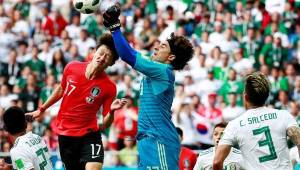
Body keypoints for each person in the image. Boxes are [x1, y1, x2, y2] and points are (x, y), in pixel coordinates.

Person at [103, 4, 194, 169]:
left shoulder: (163, 70)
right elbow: (129, 52)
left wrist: (115, 27)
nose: (157, 47)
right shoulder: (158, 70)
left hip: (159, 140)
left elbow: (128, 55)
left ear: (171, 57)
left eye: (163, 46)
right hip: (147, 140)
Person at [26, 33, 127, 170]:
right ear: (94, 51)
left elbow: (106, 123)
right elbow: (61, 89)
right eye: (101, 52)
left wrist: (112, 111)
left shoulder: (109, 87)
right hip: (66, 135)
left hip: (90, 134)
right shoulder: (72, 67)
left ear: (111, 63)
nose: (102, 57)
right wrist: (41, 109)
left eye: (107, 56)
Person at [213, 72, 300, 170]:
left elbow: (216, 162)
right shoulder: (284, 115)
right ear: (267, 95)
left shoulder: (235, 125)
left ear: (245, 97)